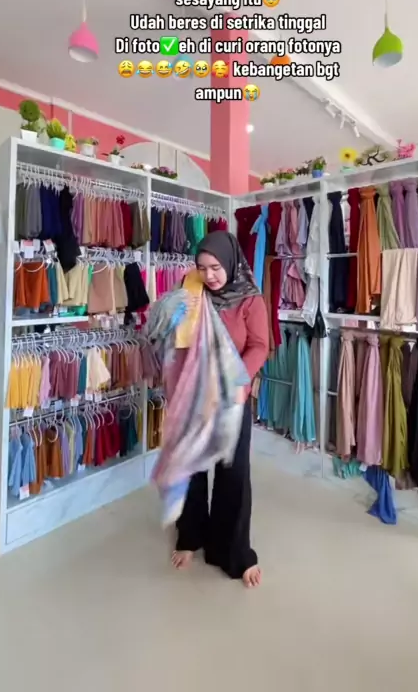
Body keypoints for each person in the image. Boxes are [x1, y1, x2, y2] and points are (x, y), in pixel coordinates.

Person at [171, 230, 270, 588]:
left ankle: (235, 553)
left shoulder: (250, 300)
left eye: (215, 267)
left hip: (231, 397)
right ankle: (190, 536)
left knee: (233, 473)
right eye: (202, 268)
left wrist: (236, 382)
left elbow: (259, 346)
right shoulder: (191, 291)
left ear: (230, 262)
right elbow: (178, 338)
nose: (209, 275)